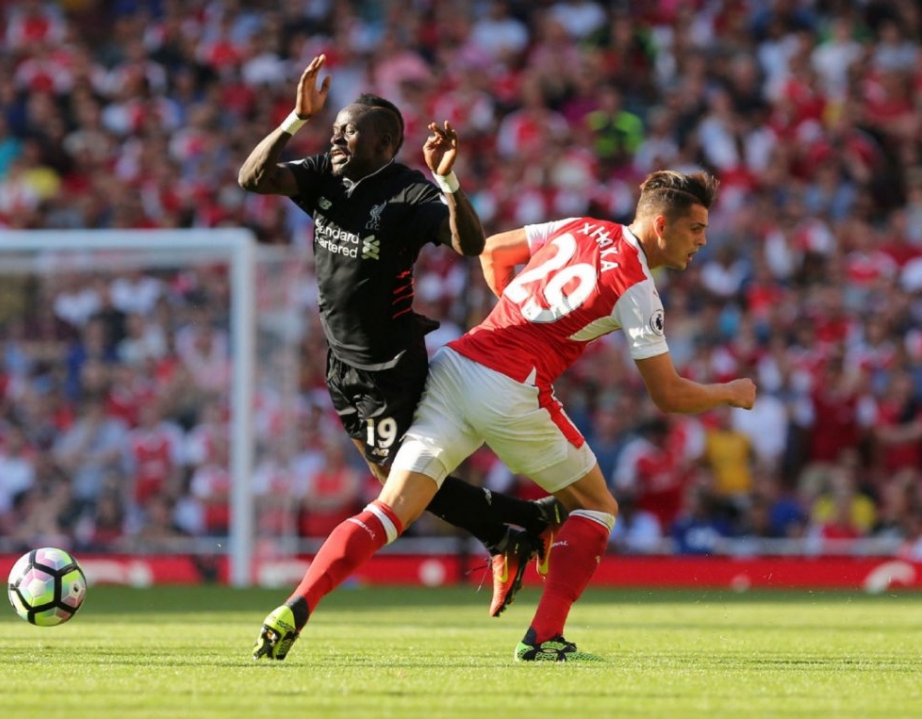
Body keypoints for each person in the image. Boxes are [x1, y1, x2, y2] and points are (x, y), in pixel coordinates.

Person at [253, 169, 756, 662]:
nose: (703, 241)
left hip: (457, 364)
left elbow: (492, 250)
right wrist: (730, 393)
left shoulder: (580, 225)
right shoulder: (638, 287)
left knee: (390, 509)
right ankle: (544, 635)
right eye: (696, 229)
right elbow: (667, 395)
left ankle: (294, 606)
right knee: (597, 506)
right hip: (511, 390)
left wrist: (515, 312)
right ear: (661, 226)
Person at [238, 54, 562, 618]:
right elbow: (252, 178)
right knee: (390, 472)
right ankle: (512, 531)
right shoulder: (323, 175)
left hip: (389, 365)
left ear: (385, 143)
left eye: (349, 129)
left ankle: (528, 521)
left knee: (400, 484)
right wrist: (295, 118)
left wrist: (449, 180)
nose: (336, 136)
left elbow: (469, 243)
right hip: (341, 363)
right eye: (334, 127)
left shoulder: (408, 194)